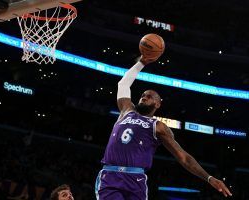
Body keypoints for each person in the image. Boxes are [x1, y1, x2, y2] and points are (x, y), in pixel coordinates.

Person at [95, 55, 232, 200]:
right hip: (110, 176)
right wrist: (141, 63)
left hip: (136, 180)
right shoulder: (126, 111)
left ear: (158, 104)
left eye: (149, 96)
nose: (144, 97)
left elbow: (183, 157)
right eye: (143, 95)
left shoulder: (158, 127)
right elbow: (123, 84)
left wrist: (209, 178)